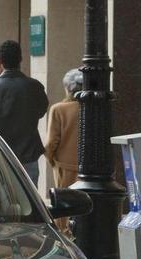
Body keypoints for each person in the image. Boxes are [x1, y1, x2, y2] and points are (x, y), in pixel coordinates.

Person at [0, 40, 49, 186]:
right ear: (20, 59)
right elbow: (41, 110)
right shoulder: (34, 86)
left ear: (1, 61)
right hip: (29, 153)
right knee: (31, 198)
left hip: (1, 153)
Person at [44, 68, 82, 232]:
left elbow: (52, 141)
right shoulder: (91, 108)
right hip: (87, 167)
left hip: (64, 166)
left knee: (64, 209)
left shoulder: (59, 109)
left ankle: (67, 236)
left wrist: (51, 158)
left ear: (68, 88)